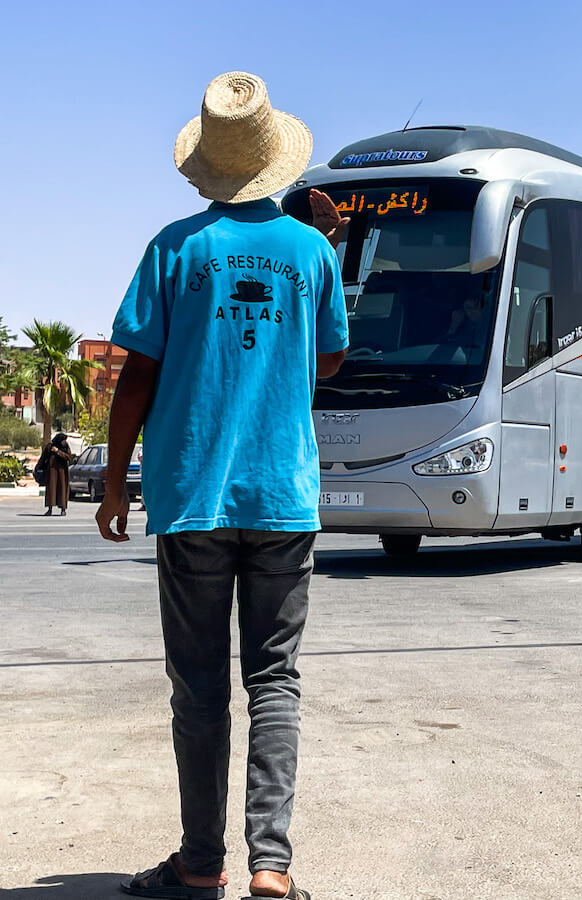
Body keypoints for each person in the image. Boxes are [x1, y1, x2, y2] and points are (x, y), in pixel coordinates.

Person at [95, 72, 348, 900]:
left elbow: (136, 375)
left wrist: (115, 484)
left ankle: (201, 865)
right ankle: (271, 865)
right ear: (275, 161)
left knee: (199, 687)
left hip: (193, 493)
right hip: (282, 495)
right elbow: (329, 358)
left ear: (209, 163)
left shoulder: (175, 247)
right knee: (273, 681)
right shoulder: (314, 252)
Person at [42, 433, 71, 516]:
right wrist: (39, 468)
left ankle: (63, 509)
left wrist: (58, 452)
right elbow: (43, 458)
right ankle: (50, 509)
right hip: (52, 472)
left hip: (62, 472)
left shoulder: (65, 447)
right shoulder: (50, 446)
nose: (64, 442)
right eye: (63, 440)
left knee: (62, 489)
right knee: (51, 490)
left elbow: (68, 457)